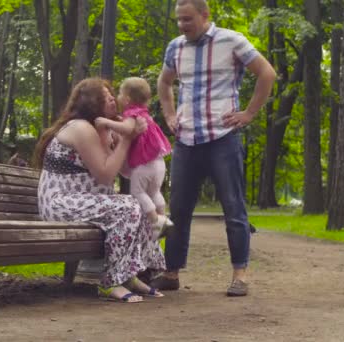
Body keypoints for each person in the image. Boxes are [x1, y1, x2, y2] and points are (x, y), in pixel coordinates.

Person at [151, 0, 276, 297]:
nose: (182, 25)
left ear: (205, 16)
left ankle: (240, 275)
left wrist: (249, 113)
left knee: (233, 207)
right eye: (179, 20)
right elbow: (164, 82)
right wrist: (169, 115)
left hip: (223, 138)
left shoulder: (232, 40)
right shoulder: (175, 47)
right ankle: (171, 272)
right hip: (187, 140)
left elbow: (267, 73)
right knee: (178, 210)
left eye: (188, 19)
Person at [33, 77, 166, 303]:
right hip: (61, 202)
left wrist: (134, 142)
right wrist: (126, 138)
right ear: (92, 103)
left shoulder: (105, 127)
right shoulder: (81, 128)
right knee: (129, 206)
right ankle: (110, 282)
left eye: (112, 95)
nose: (113, 99)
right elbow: (105, 175)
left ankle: (128, 276)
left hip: (85, 199)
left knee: (142, 205)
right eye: (106, 98)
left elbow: (123, 171)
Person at [94, 77, 173, 240]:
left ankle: (156, 221)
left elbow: (126, 129)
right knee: (154, 191)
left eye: (120, 94)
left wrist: (105, 122)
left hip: (144, 165)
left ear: (128, 99)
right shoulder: (145, 113)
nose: (118, 98)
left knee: (138, 192)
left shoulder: (131, 114)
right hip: (158, 163)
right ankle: (163, 216)